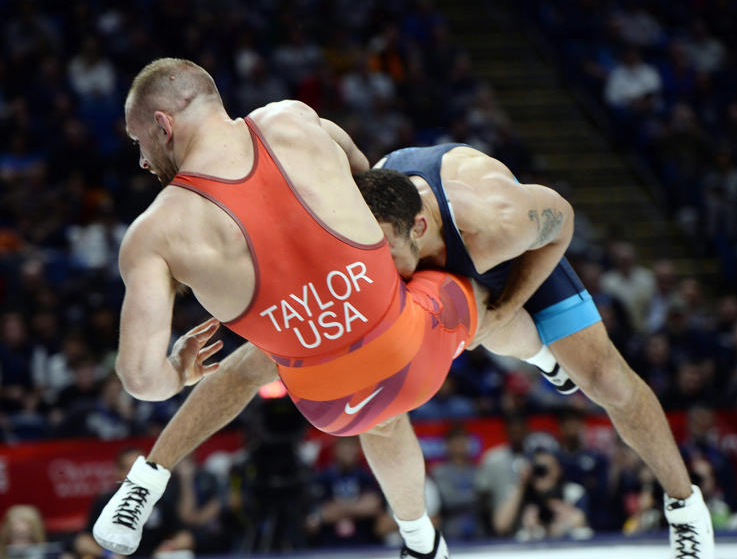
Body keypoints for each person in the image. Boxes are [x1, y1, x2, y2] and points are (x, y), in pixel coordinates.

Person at [93, 58, 563, 559]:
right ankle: (546, 360)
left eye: (137, 140)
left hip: (327, 403)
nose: (142, 159)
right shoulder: (294, 118)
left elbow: (140, 380)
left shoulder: (151, 234)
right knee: (463, 293)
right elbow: (372, 187)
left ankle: (145, 481)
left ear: (163, 125)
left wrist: (177, 373)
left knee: (256, 364)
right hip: (410, 353)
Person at [356, 143, 714, 557]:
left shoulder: (493, 218)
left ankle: (686, 507)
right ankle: (542, 358)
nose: (378, 262)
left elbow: (561, 219)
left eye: (387, 251)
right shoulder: (356, 224)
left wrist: (507, 305)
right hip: (436, 249)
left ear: (417, 228)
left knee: (607, 380)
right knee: (376, 380)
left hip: (509, 253)